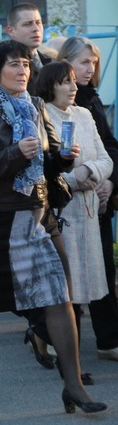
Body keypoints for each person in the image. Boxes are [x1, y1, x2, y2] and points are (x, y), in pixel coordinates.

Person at [0, 40, 106, 414]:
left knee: (59, 297)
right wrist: (14, 154)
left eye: (27, 65)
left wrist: (60, 158)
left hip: (40, 214)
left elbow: (47, 161)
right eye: (15, 64)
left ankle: (73, 385)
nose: (23, 71)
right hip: (3, 218)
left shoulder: (36, 106)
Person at [59, 36, 118, 362]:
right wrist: (84, 176)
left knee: (103, 274)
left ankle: (108, 340)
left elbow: (108, 149)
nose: (90, 68)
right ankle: (59, 344)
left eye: (93, 62)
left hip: (99, 199)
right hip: (69, 204)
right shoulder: (59, 105)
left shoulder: (91, 100)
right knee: (69, 278)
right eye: (83, 61)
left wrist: (108, 180)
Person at [5, 3, 50, 94]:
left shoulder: (51, 63)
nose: (36, 29)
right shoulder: (4, 65)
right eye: (27, 24)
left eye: (38, 23)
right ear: (11, 31)